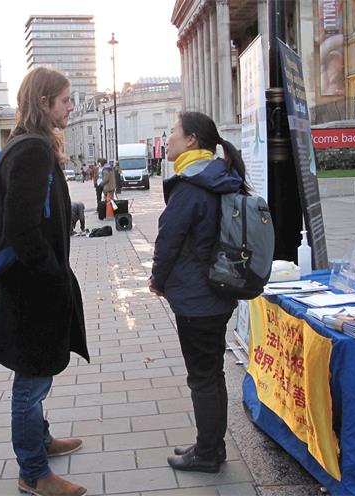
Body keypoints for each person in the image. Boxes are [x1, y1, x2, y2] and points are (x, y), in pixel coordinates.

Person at [0, 67, 89, 496]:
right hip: (32, 291)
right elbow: (22, 230)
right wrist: (53, 276)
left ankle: (41, 440)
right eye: (65, 100)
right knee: (29, 384)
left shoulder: (30, 145)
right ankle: (32, 471)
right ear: (44, 102)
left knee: (37, 374)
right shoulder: (31, 151)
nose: (71, 107)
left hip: (30, 288)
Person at [149, 111, 249, 474]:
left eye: (174, 131)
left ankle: (208, 453)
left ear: (191, 140)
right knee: (212, 372)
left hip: (196, 298)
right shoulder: (222, 176)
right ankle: (211, 445)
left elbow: (168, 240)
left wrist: (157, 280)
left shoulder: (191, 185)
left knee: (203, 376)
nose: (169, 136)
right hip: (221, 291)